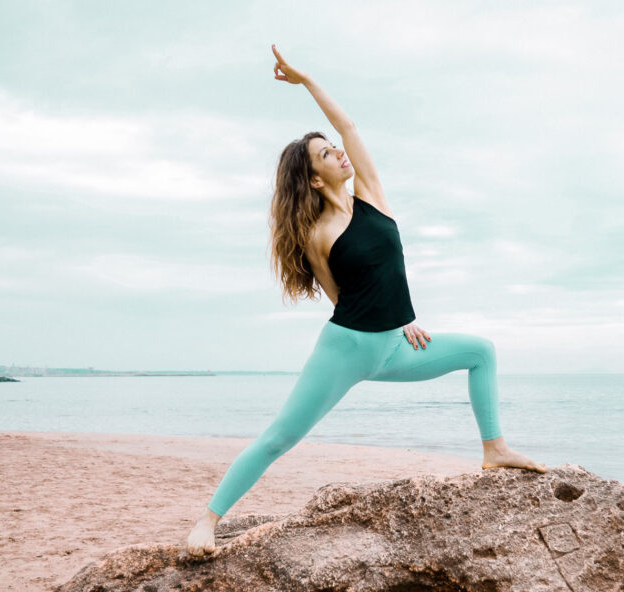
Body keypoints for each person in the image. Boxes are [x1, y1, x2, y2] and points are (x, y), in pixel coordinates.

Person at [185, 44, 547, 558]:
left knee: (481, 351)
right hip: (346, 347)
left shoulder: (372, 194)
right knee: (279, 439)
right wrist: (385, 324)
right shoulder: (317, 235)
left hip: (393, 347)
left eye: (333, 147)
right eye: (325, 154)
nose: (338, 152)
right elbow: (342, 296)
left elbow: (351, 128)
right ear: (314, 178)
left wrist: (307, 80)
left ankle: (495, 450)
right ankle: (207, 519)